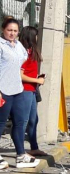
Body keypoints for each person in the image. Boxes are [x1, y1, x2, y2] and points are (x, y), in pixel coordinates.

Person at [0, 17, 40, 169]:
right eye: (9, 30)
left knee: (19, 123)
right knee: (1, 124)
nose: (12, 33)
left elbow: (22, 61)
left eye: (15, 31)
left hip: (17, 89)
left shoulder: (18, 46)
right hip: (3, 91)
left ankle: (21, 155)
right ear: (3, 29)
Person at [16, 26, 47, 157]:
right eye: (36, 36)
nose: (37, 38)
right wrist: (36, 81)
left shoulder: (31, 52)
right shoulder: (23, 53)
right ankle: (21, 151)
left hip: (32, 90)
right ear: (31, 37)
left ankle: (34, 147)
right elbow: (20, 75)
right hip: (24, 90)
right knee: (22, 121)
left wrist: (36, 78)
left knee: (33, 119)